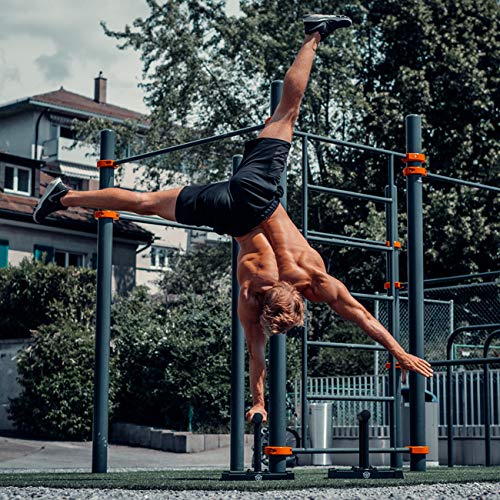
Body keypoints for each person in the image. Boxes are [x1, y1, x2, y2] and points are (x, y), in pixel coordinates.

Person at [33, 14, 433, 423]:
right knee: (147, 202)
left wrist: (399, 352)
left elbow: (365, 316)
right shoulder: (250, 296)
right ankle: (63, 198)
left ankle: (315, 34)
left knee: (286, 113)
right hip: (229, 213)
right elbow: (256, 355)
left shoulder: (315, 279)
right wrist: (257, 401)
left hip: (253, 193)